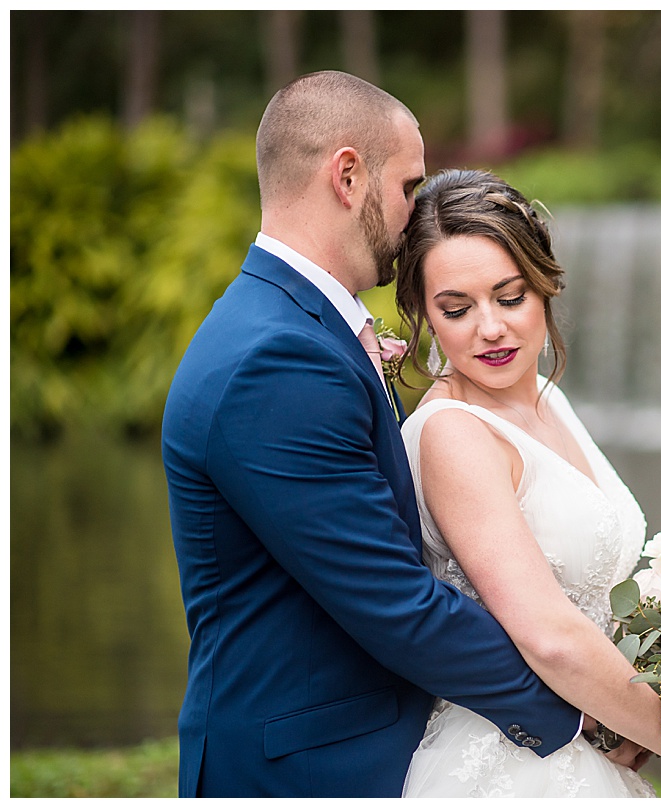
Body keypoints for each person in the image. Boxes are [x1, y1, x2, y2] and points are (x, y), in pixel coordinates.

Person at [160, 71, 583, 797]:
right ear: (348, 176)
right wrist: (585, 713)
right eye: (410, 185)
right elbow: (400, 606)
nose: (419, 213)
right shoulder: (277, 359)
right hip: (307, 769)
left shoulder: (296, 325)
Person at [392, 169, 661, 797]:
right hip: (519, 762)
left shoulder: (551, 402)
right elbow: (549, 636)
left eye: (510, 296)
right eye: (457, 308)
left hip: (599, 742)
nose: (490, 328)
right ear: (424, 315)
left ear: (544, 285)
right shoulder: (455, 434)